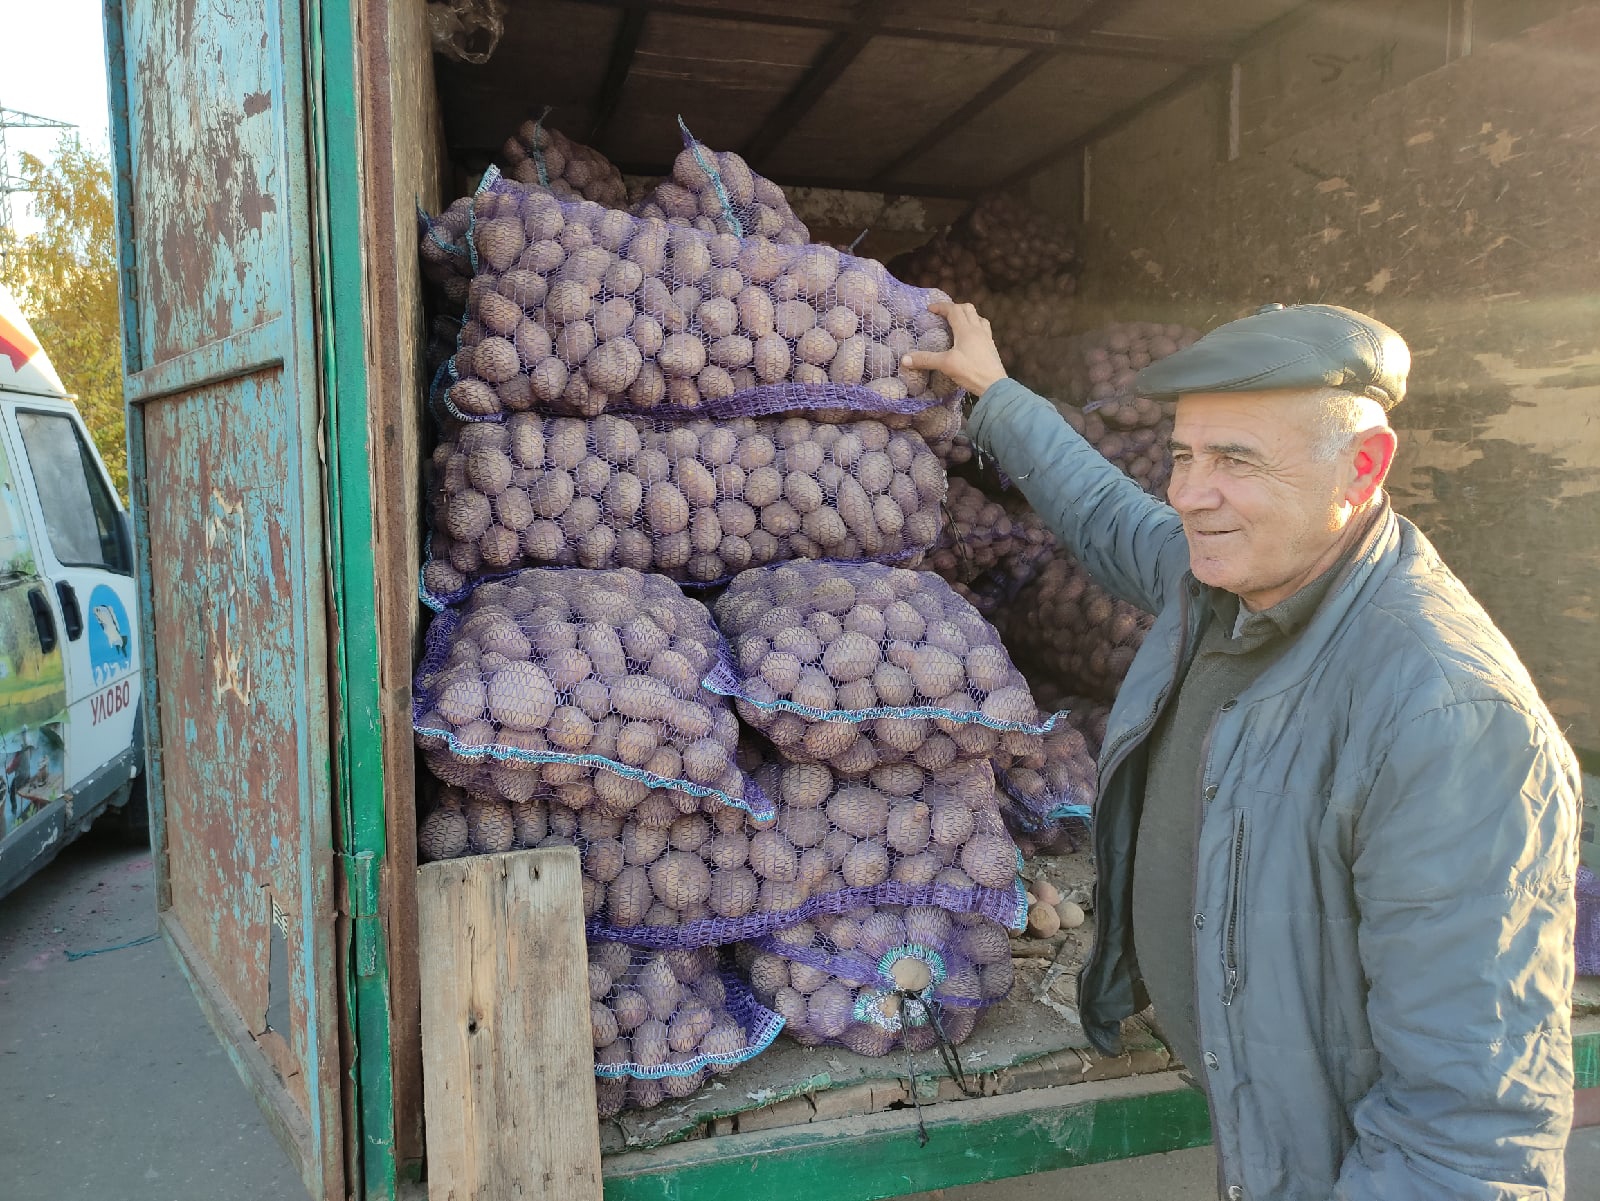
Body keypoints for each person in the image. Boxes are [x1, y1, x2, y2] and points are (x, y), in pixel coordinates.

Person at [905, 302, 1580, 1201]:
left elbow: (1468, 1135)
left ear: (1364, 467)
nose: (1189, 492)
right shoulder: (1228, 581)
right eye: (1186, 455)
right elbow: (1108, 514)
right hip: (1251, 1116)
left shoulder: (1449, 719)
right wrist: (995, 394)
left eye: (1237, 460)